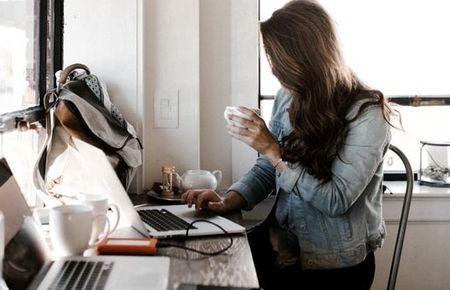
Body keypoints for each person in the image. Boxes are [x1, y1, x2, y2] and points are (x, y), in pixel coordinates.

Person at [182, 0, 396, 289]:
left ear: (307, 57)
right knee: (200, 269)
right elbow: (269, 168)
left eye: (278, 60)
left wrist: (273, 149)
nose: (274, 71)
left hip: (333, 265)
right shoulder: (289, 97)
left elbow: (335, 200)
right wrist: (227, 200)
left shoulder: (367, 114)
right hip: (281, 243)